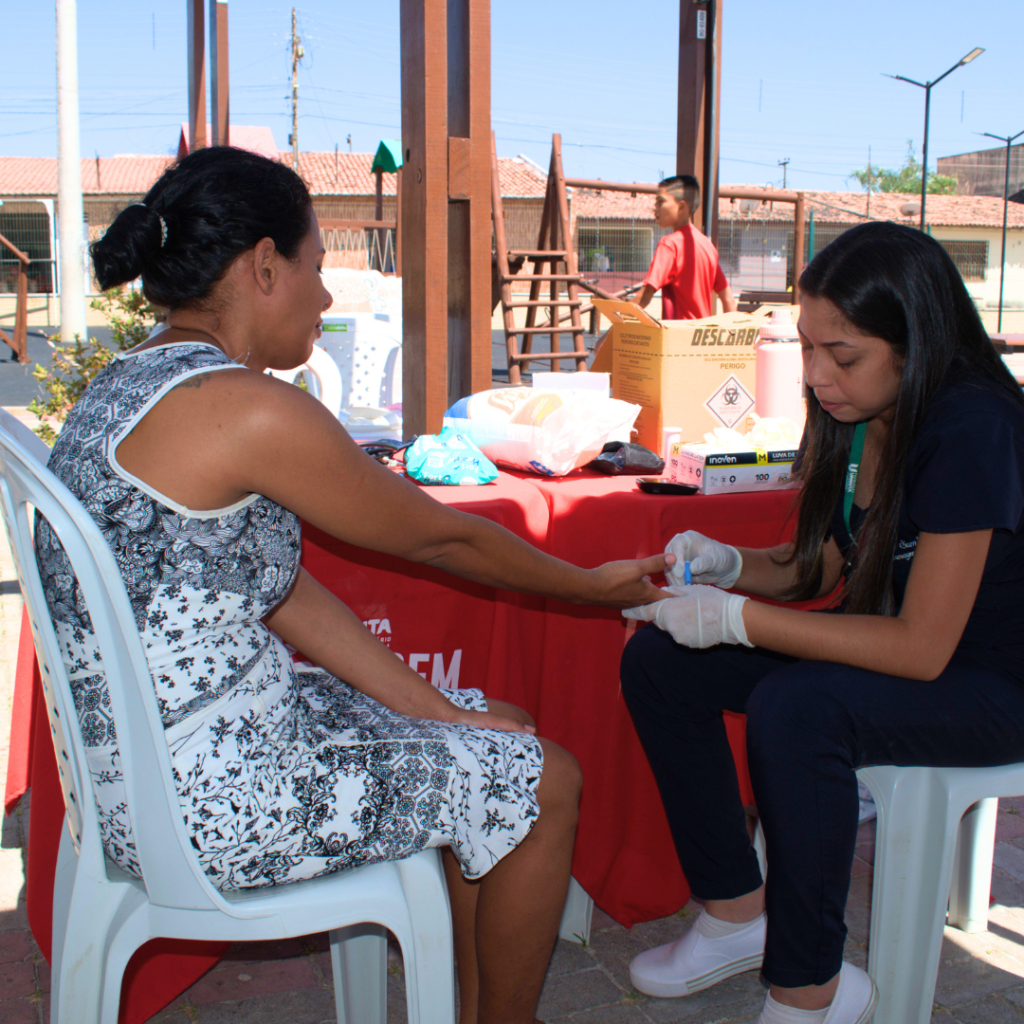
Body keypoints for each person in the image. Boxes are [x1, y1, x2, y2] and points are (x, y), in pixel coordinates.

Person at [37, 146, 669, 1024]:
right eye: (317, 269)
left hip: (136, 779)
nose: (326, 298)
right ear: (265, 265)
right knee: (546, 778)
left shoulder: (124, 382)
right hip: (219, 800)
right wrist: (597, 590)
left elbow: (281, 592)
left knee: (499, 731)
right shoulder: (249, 408)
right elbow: (444, 538)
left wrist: (441, 713)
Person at [619, 220, 1024, 1024]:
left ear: (919, 343)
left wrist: (737, 620)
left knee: (799, 708)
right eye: (806, 348)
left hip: (987, 683)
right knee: (661, 661)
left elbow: (919, 647)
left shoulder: (972, 428)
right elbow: (829, 563)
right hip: (897, 657)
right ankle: (737, 913)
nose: (816, 375)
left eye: (843, 356)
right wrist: (728, 565)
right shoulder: (852, 410)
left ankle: (811, 990)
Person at [633, 174, 736, 320]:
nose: (654, 208)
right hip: (702, 338)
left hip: (677, 338)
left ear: (681, 207)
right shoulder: (708, 246)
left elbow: (644, 297)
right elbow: (728, 299)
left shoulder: (669, 244)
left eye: (660, 202)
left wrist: (619, 317)